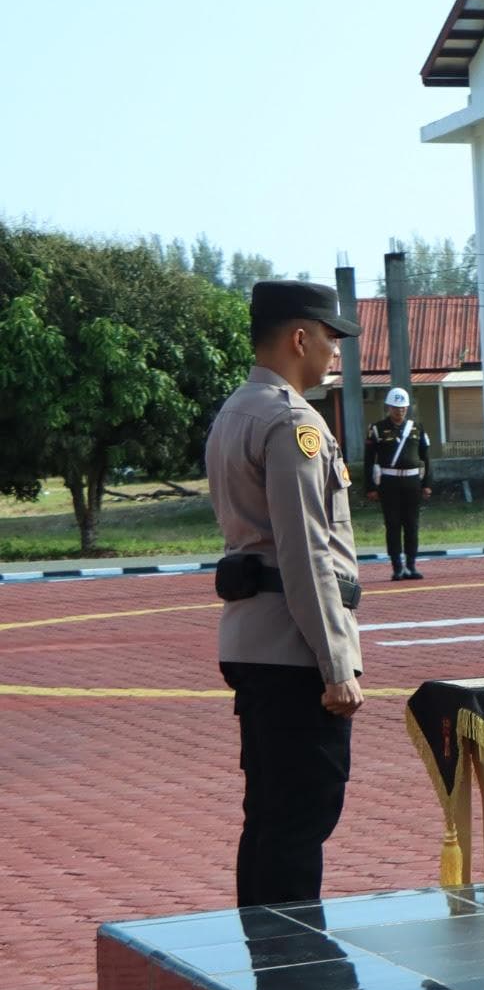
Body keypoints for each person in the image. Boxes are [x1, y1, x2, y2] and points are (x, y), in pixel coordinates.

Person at [206, 280, 365, 907]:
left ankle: (264, 949)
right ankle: (292, 959)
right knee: (301, 817)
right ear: (300, 338)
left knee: (270, 819)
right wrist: (336, 664)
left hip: (254, 639)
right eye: (330, 337)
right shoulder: (293, 421)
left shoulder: (237, 410)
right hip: (294, 650)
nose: (335, 351)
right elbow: (305, 554)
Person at [364, 386, 433, 580]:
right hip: (389, 483)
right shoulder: (377, 429)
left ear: (407, 408)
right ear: (388, 407)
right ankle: (397, 567)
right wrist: (370, 487)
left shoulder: (417, 428)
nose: (399, 411)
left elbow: (426, 458)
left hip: (412, 482)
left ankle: (411, 566)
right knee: (392, 524)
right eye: (395, 407)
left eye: (402, 407)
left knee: (412, 524)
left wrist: (427, 483)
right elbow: (369, 460)